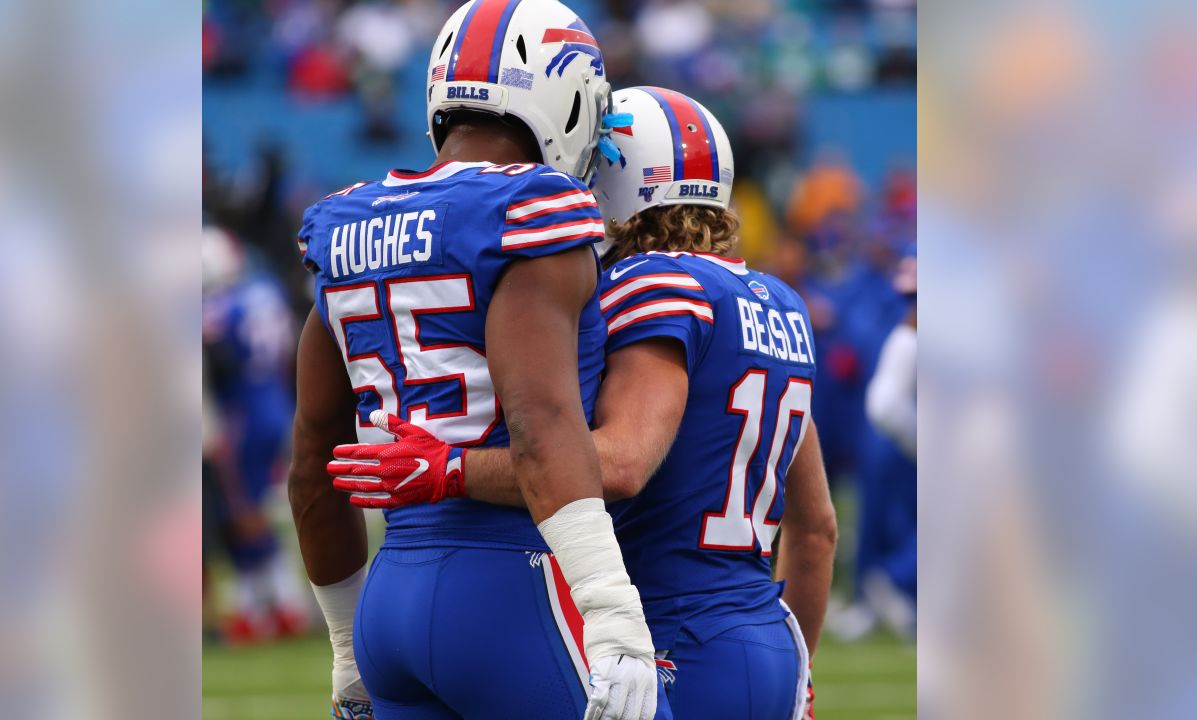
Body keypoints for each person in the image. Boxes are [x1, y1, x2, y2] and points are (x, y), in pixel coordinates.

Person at [331, 87, 837, 720]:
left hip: (669, 636)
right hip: (768, 639)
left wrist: (455, 468)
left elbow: (618, 462)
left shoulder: (647, 285)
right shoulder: (778, 303)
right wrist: (801, 667)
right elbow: (816, 528)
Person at [287, 2, 660, 719]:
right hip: (512, 587)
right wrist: (614, 616)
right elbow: (540, 423)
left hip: (391, 602)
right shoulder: (535, 204)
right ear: (572, 100)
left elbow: (312, 462)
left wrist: (345, 642)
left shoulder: (346, 222)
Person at [202, 225, 308, 644]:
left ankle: (268, 606)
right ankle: (278, 602)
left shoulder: (215, 308)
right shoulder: (266, 291)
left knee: (243, 510)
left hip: (241, 413)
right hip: (278, 404)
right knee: (267, 507)